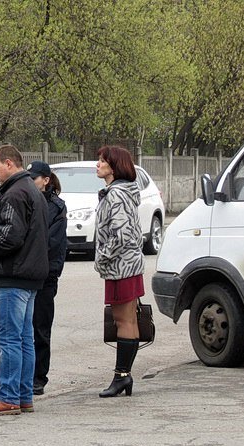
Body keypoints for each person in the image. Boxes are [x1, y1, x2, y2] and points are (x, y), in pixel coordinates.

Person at [0, 145, 48, 415]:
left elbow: (10, 238)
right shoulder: (33, 191)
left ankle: (8, 396)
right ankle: (24, 395)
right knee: (25, 338)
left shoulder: (14, 194)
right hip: (30, 275)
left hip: (13, 275)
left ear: (10, 164)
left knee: (11, 339)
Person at [94, 145, 145, 398]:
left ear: (114, 166)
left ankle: (121, 376)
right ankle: (124, 376)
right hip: (129, 263)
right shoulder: (125, 192)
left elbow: (121, 233)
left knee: (123, 320)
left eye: (102, 161)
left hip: (120, 266)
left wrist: (102, 257)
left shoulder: (115, 194)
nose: (98, 164)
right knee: (130, 320)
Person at [26, 161, 67, 396]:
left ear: (46, 180)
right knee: (21, 330)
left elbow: (52, 242)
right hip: (24, 273)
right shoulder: (24, 199)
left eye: (34, 178)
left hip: (45, 274)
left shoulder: (56, 207)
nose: (31, 182)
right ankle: (22, 375)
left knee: (40, 328)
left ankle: (38, 377)